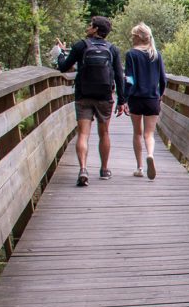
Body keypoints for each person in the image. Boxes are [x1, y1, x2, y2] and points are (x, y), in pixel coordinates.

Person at [56, 16, 127, 186]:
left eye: (90, 26)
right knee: (104, 133)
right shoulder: (113, 49)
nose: (88, 28)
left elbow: (64, 67)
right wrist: (122, 101)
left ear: (95, 29)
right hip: (104, 97)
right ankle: (104, 170)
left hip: (83, 95)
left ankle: (83, 169)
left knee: (83, 134)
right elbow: (118, 76)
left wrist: (59, 54)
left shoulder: (81, 45)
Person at [125, 22, 167, 180]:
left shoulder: (131, 54)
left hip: (136, 98)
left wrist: (125, 97)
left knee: (137, 133)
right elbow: (163, 79)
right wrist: (160, 95)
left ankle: (140, 168)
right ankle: (150, 154)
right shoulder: (156, 54)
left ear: (137, 37)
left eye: (132, 36)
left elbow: (129, 78)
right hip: (152, 99)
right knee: (149, 134)